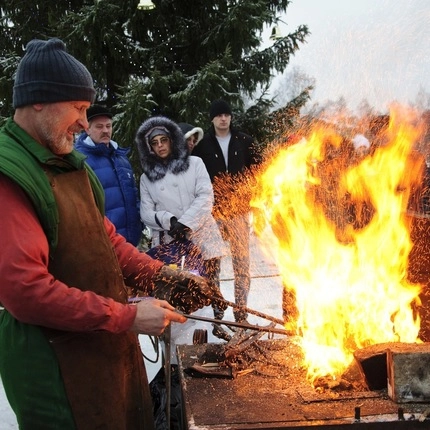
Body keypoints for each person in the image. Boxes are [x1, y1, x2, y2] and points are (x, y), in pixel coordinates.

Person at [0, 38, 223, 430]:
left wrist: (162, 276)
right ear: (39, 101)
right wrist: (127, 316)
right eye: (79, 109)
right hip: (56, 369)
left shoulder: (70, 163)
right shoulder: (10, 175)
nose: (85, 123)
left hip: (104, 349)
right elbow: (27, 292)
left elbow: (108, 243)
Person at [136, 116, 227, 320]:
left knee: (209, 290)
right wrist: (170, 221)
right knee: (176, 292)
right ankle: (174, 341)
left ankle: (215, 329)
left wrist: (186, 223)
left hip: (203, 237)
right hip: (172, 243)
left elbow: (205, 196)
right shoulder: (147, 177)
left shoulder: (195, 163)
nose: (160, 146)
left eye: (164, 140)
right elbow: (146, 212)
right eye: (154, 142)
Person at [192, 99, 260, 322]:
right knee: (213, 264)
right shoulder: (203, 147)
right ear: (212, 118)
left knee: (242, 263)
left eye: (226, 114)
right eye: (219, 115)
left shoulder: (244, 141)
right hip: (214, 214)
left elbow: (258, 169)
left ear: (231, 117)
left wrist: (251, 194)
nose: (223, 118)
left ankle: (241, 311)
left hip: (239, 212)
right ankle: (218, 310)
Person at [75, 104, 143, 246]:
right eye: (99, 127)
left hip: (131, 241)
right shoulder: (80, 160)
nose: (105, 130)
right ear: (87, 129)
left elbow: (133, 195)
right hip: (104, 243)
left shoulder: (121, 158)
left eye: (108, 126)